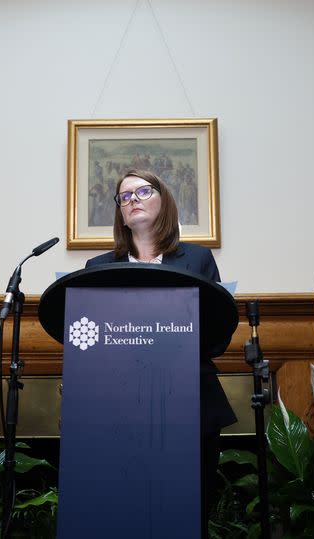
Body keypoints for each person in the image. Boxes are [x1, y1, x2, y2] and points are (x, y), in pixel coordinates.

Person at [85, 169, 236, 535]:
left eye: (142, 191)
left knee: (187, 516)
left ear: (164, 200)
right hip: (119, 409)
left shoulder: (197, 259)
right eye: (124, 196)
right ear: (121, 214)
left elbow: (218, 331)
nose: (132, 199)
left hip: (190, 403)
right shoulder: (98, 268)